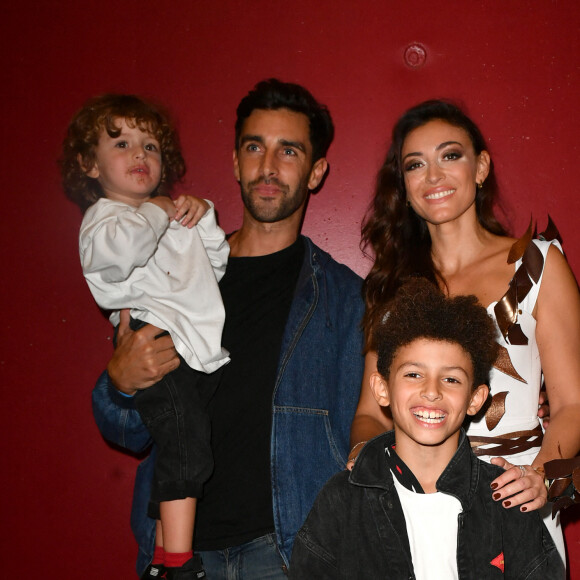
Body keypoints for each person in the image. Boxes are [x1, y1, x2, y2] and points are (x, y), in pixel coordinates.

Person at [91, 80, 365, 579]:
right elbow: (127, 431)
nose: (268, 166)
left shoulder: (346, 300)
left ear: (316, 171)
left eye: (289, 151)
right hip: (178, 555)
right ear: (236, 162)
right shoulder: (176, 271)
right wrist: (121, 382)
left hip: (287, 555)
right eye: (254, 147)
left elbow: (366, 435)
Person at [350, 99, 580, 565]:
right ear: (405, 185)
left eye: (449, 155)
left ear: (481, 167)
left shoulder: (537, 267)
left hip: (515, 499)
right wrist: (363, 456)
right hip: (415, 504)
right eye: (415, 164)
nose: (433, 176)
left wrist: (541, 477)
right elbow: (371, 413)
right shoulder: (391, 286)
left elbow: (573, 404)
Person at [290, 278, 565, 579]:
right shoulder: (342, 500)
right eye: (413, 374)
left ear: (476, 399)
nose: (431, 391)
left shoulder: (506, 499)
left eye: (451, 379)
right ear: (381, 390)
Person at [62, 94, 230, 579]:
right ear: (90, 164)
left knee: (187, 443)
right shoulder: (105, 220)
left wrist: (204, 220)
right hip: (155, 341)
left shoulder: (167, 214)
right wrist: (157, 212)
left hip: (195, 349)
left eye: (151, 145)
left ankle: (161, 557)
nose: (140, 154)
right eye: (122, 143)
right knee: (184, 448)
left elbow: (213, 269)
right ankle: (178, 562)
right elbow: (120, 254)